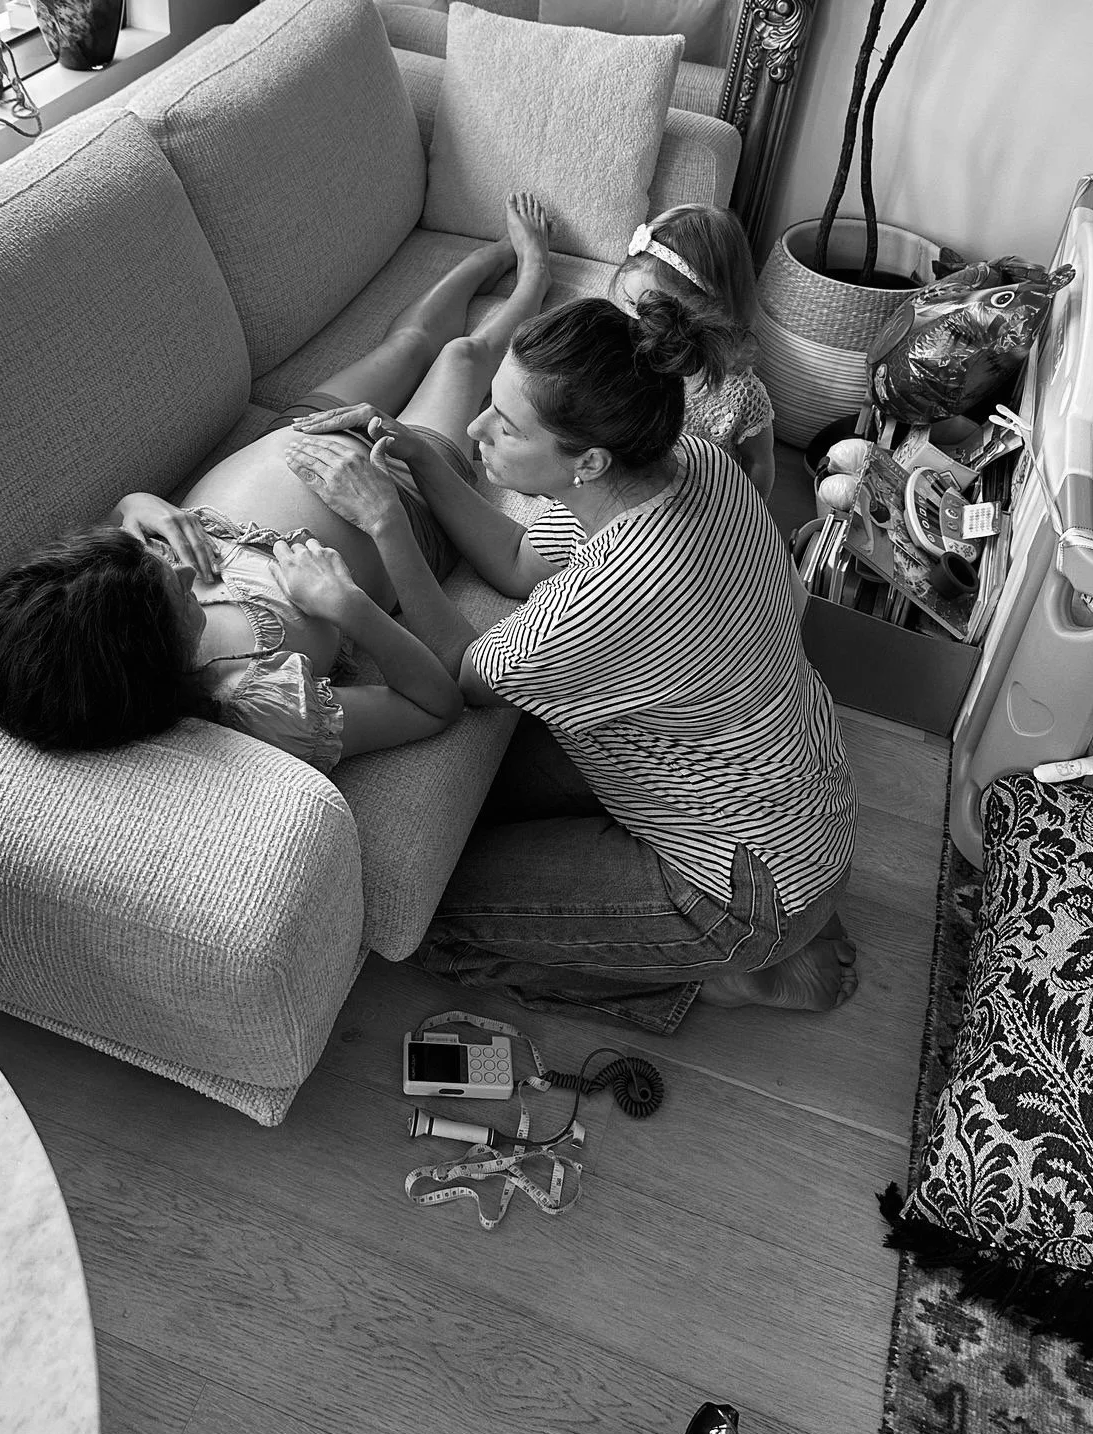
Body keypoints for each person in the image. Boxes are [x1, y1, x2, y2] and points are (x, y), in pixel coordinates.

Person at [282, 294, 859, 1034]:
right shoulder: (694, 464)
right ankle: (738, 944)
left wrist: (383, 519)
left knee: (417, 916)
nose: (475, 430)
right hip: (797, 811)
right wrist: (418, 455)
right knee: (485, 819)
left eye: (506, 425)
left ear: (588, 461)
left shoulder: (613, 597)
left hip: (738, 894)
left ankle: (716, 978)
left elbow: (461, 675)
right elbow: (517, 557)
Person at [0, 195, 554, 766]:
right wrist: (348, 606)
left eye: (162, 561)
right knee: (459, 357)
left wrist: (139, 506)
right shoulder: (258, 699)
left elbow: (123, 524)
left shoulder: (99, 599)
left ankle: (486, 257)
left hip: (302, 429)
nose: (184, 572)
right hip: (398, 491)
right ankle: (532, 277)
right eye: (175, 594)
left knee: (409, 343)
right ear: (149, 665)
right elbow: (436, 704)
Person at [614, 205, 776, 499]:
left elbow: (759, 463)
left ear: (710, 312)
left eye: (654, 316)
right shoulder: (632, 356)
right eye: (631, 305)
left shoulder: (743, 395)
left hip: (707, 504)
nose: (636, 325)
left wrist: (750, 512)